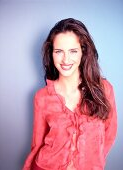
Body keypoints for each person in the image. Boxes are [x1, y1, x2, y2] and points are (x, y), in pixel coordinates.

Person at [23, 18, 117, 170]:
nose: (66, 59)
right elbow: (37, 144)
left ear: (83, 52)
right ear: (51, 53)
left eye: (73, 51)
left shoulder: (104, 89)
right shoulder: (42, 97)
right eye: (58, 51)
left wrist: (93, 162)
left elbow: (109, 134)